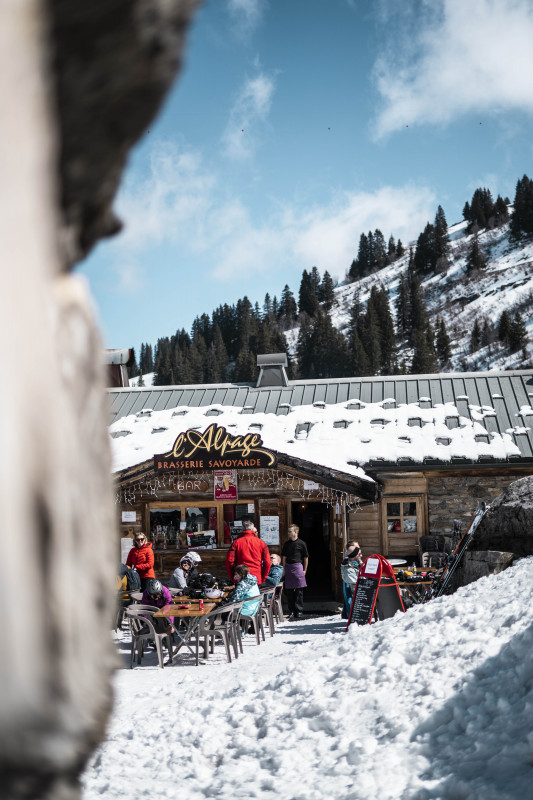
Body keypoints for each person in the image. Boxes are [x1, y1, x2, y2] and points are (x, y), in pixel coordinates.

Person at [225, 519, 271, 584]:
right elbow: (267, 562)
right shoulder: (261, 543)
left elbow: (229, 561)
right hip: (256, 576)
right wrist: (263, 577)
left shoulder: (236, 542)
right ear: (253, 530)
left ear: (242, 530)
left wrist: (233, 576)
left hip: (240, 576)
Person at [281, 524, 308, 619]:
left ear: (295, 532)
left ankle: (299, 610)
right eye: (288, 531)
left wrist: (305, 569)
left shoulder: (302, 543)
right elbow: (284, 557)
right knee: (289, 591)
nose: (288, 533)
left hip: (298, 567)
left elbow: (305, 557)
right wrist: (284, 568)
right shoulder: (286, 544)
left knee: (299, 590)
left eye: (290, 531)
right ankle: (291, 610)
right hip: (288, 567)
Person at [341, 541, 363, 619]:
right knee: (348, 597)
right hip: (350, 581)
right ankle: (350, 615)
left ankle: (347, 614)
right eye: (356, 547)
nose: (358, 548)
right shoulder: (348, 560)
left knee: (349, 597)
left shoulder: (356, 560)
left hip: (352, 580)